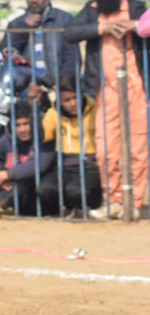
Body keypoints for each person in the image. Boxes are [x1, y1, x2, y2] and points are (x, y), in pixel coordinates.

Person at [64, 0, 148, 217]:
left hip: (136, 87)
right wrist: (103, 28)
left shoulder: (136, 8)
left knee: (137, 147)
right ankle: (113, 201)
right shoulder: (92, 10)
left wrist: (134, 26)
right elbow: (70, 32)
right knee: (106, 149)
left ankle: (134, 203)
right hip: (105, 89)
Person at [36, 71, 102, 217]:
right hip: (64, 166)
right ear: (59, 100)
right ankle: (67, 207)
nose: (73, 103)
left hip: (90, 166)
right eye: (67, 100)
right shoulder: (53, 112)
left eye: (75, 97)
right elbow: (42, 136)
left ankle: (93, 203)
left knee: (76, 191)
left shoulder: (95, 109)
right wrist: (36, 105)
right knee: (44, 189)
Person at [4, 0, 79, 88]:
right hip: (27, 88)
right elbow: (5, 53)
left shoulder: (64, 20)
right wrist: (23, 27)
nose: (34, 0)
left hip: (57, 87)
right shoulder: (16, 24)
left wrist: (63, 84)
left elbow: (71, 57)